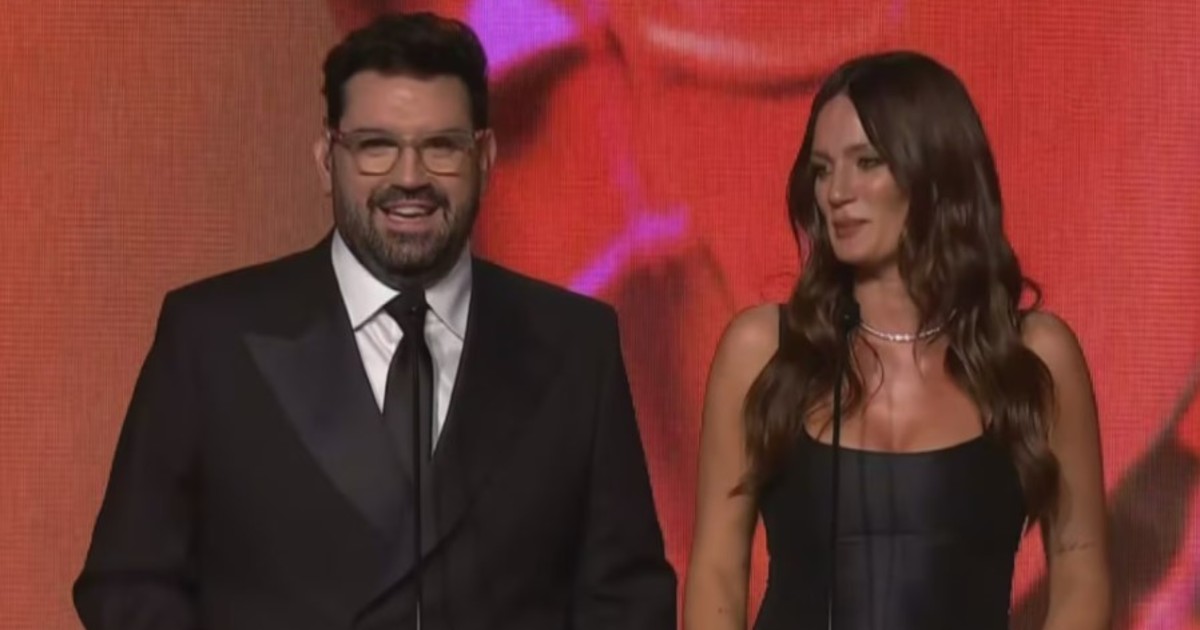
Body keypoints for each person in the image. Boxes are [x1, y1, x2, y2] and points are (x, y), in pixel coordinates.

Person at [73, 12, 676, 630]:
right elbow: (126, 586)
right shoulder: (211, 338)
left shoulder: (577, 345)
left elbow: (629, 597)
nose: (409, 178)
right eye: (376, 147)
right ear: (326, 160)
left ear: (484, 158)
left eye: (441, 147)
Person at [683, 51, 1111, 629]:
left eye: (867, 162)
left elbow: (1081, 562)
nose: (837, 192)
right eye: (822, 169)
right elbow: (716, 567)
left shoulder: (1034, 357)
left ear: (935, 172)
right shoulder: (763, 350)